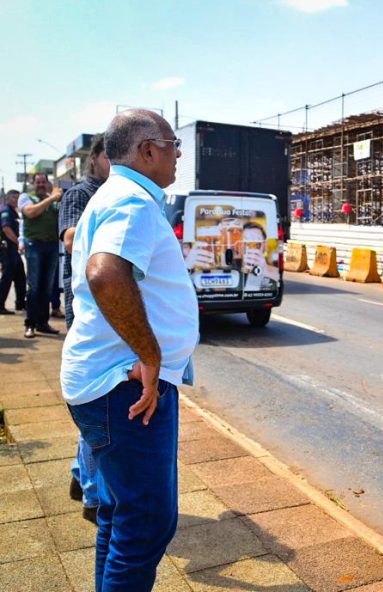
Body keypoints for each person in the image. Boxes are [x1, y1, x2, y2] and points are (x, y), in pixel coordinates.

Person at [61, 108, 199, 591]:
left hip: (111, 381)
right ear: (147, 150)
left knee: (119, 516)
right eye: (171, 144)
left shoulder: (118, 196)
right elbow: (106, 273)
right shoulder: (134, 203)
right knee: (146, 525)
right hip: (127, 385)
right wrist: (151, 354)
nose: (178, 153)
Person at [58, 134, 111, 524]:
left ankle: (81, 476)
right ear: (95, 159)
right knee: (97, 401)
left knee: (95, 406)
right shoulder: (83, 193)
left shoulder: (113, 192)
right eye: (110, 154)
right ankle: (93, 497)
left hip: (102, 303)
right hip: (85, 304)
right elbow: (71, 237)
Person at [19, 172, 62, 338]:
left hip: (51, 245)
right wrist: (51, 198)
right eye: (38, 182)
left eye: (44, 182)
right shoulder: (26, 197)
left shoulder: (52, 199)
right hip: (34, 244)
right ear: (33, 183)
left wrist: (58, 197)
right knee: (34, 287)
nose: (41, 185)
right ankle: (30, 324)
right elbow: (31, 212)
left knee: (47, 287)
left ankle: (42, 323)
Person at [0, 189, 26, 314]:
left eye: (18, 198)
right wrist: (18, 242)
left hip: (12, 249)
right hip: (7, 248)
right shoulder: (6, 211)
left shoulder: (14, 212)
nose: (16, 200)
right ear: (7, 198)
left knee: (20, 276)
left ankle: (20, 303)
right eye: (14, 197)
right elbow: (6, 228)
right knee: (7, 276)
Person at [241, 222, 280, 292]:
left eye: (257, 238)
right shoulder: (234, 270)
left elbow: (280, 281)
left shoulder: (273, 271)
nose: (252, 243)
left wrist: (265, 271)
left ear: (264, 245)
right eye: (247, 239)